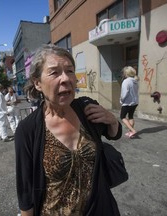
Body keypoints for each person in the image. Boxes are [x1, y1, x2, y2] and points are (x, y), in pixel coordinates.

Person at [15, 44, 122, 216]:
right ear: (37, 83)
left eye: (70, 71)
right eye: (54, 72)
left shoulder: (86, 108)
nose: (66, 79)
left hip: (101, 209)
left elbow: (114, 134)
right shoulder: (27, 130)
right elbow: (25, 190)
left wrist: (112, 121)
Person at [120, 66, 139, 138]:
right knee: (131, 116)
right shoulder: (135, 81)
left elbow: (124, 93)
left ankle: (132, 130)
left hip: (127, 103)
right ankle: (131, 133)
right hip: (135, 102)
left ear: (126, 73)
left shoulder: (126, 81)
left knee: (122, 117)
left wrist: (121, 100)